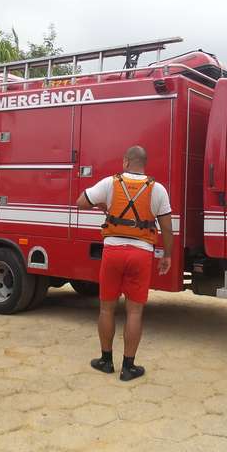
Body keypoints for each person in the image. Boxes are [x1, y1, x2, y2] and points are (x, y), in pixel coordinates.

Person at [75, 146, 173, 381]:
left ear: (126, 162)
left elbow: (80, 202)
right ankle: (128, 368)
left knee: (106, 309)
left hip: (113, 252)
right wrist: (167, 255)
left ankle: (106, 361)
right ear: (144, 163)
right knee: (135, 312)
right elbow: (167, 226)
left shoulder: (110, 183)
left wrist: (102, 205)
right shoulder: (157, 189)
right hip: (141, 254)